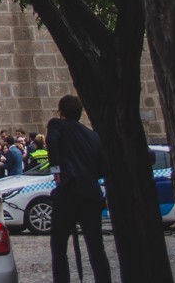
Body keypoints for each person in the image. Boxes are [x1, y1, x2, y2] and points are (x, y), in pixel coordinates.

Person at [46, 95, 112, 283]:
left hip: (68, 192)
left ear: (61, 112)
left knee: (58, 246)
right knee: (96, 248)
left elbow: (52, 142)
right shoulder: (93, 135)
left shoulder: (57, 125)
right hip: (91, 194)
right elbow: (103, 168)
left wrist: (56, 169)